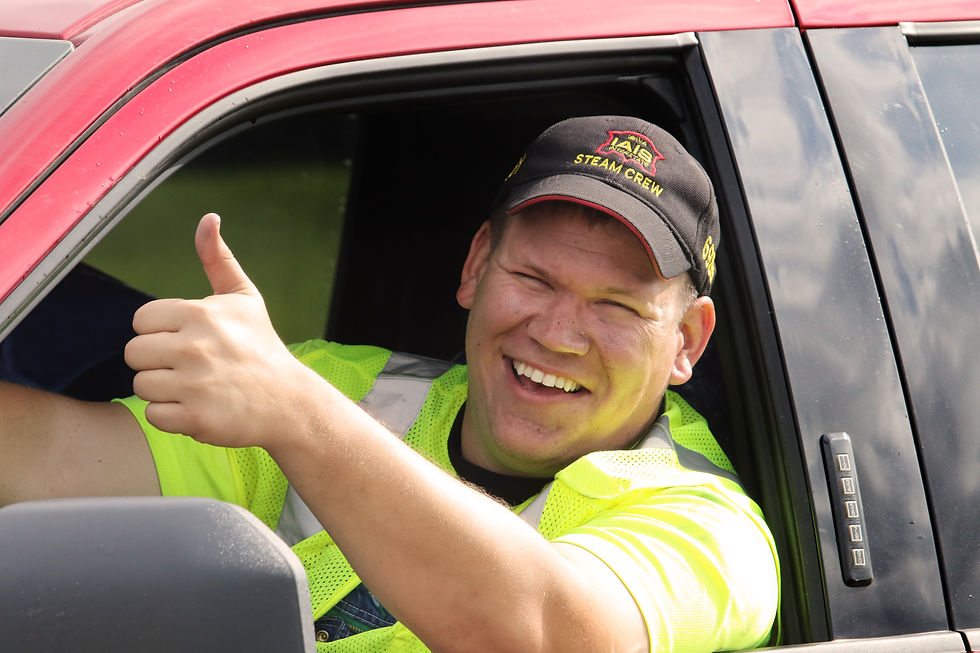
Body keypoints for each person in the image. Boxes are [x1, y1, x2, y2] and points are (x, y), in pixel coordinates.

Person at [0, 115, 778, 652]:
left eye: (615, 307)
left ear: (686, 341)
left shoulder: (710, 525)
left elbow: (542, 630)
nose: (557, 332)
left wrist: (299, 416)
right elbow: (49, 462)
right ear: (476, 265)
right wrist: (293, 398)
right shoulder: (346, 385)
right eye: (534, 278)